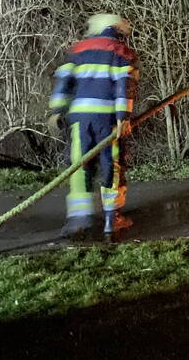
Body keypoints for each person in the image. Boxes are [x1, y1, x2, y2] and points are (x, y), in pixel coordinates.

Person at [47, 14, 138, 236]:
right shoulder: (120, 51)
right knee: (112, 165)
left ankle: (79, 220)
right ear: (115, 30)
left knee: (79, 165)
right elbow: (123, 85)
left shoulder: (77, 50)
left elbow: (64, 81)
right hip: (108, 119)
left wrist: (57, 111)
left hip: (80, 118)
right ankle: (111, 217)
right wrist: (123, 116)